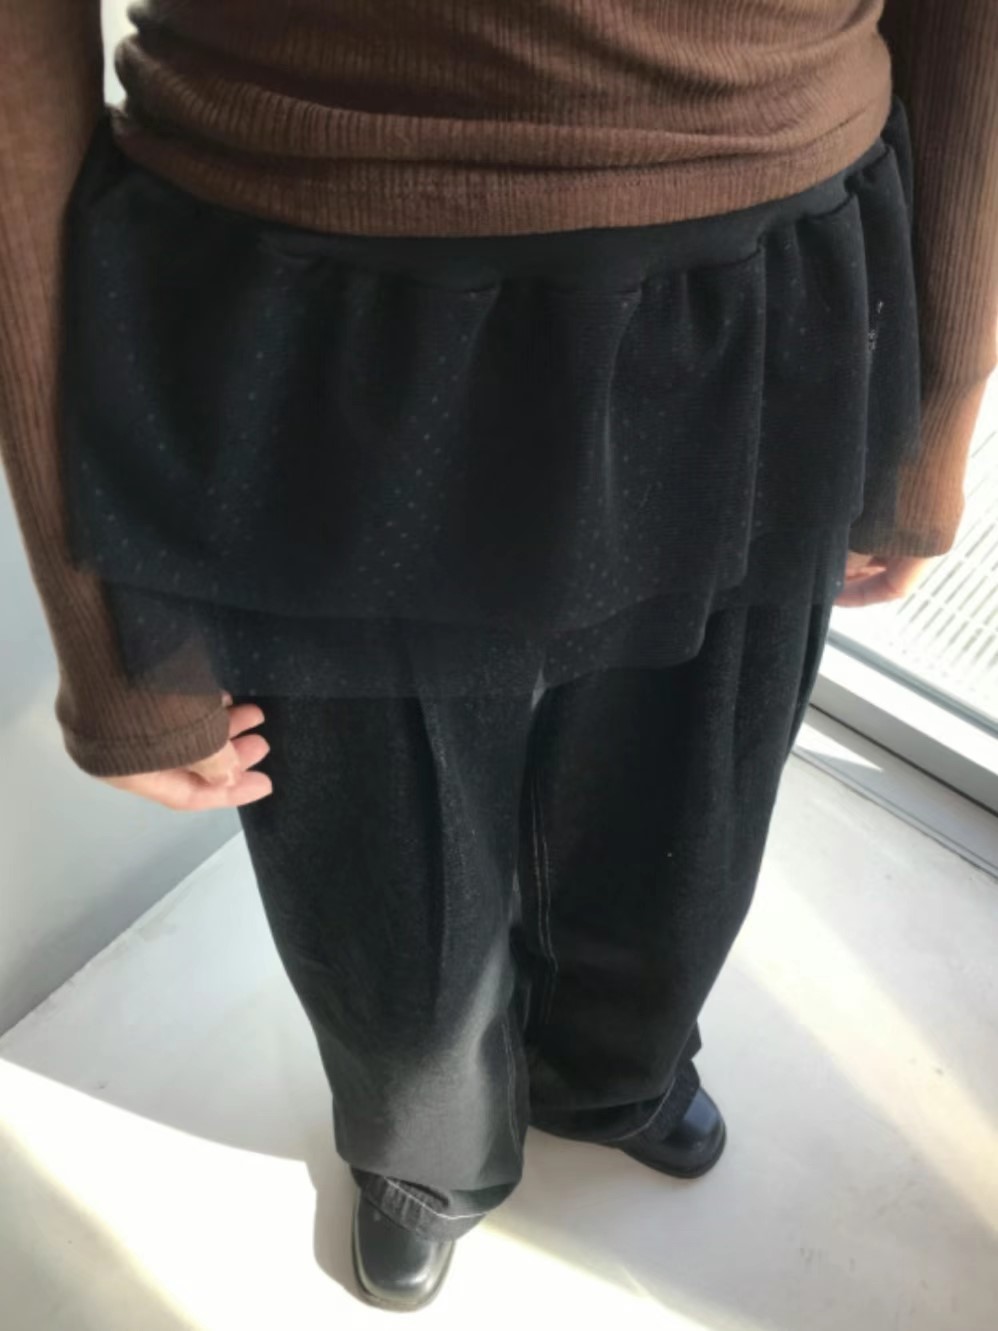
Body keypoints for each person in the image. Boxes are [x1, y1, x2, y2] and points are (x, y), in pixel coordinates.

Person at [1, 0, 995, 1313]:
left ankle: (616, 1065)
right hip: (310, 289)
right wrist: (97, 612)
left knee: (691, 788)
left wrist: (939, 406)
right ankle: (424, 1152)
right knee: (373, 845)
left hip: (767, 259)